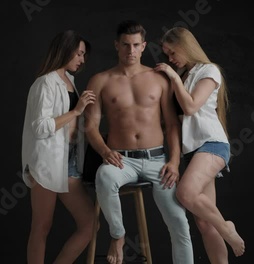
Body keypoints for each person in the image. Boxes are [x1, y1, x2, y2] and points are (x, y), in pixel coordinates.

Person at [84, 20, 193, 264]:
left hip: (157, 161)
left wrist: (174, 162)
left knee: (180, 224)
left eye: (135, 45)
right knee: (104, 177)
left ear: (143, 46)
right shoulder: (100, 80)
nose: (130, 51)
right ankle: (118, 236)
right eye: (125, 45)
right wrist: (104, 151)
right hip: (121, 160)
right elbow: (90, 126)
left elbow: (173, 125)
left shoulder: (160, 79)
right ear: (116, 45)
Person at [154, 27, 246, 262]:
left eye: (173, 53)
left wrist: (173, 77)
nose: (171, 59)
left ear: (186, 47)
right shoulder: (185, 75)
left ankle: (227, 228)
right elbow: (177, 119)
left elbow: (191, 106)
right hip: (192, 151)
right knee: (205, 223)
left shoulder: (208, 70)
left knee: (185, 193)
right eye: (167, 55)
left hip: (212, 144)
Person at [21, 29, 97, 264]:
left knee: (90, 224)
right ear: (66, 50)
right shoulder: (44, 83)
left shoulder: (70, 81)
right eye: (79, 54)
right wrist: (76, 111)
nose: (82, 60)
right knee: (42, 227)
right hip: (47, 162)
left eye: (84, 55)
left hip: (70, 162)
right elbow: (40, 127)